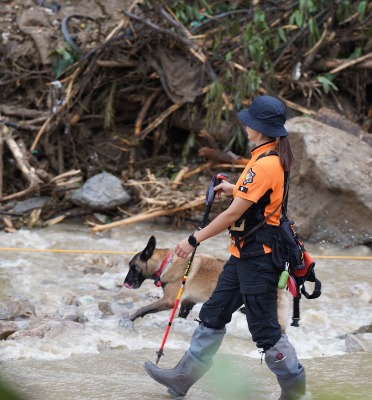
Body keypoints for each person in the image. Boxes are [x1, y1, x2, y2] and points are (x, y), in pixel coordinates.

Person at [143, 95, 306, 400]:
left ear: (258, 128)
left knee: (266, 331)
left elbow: (233, 213)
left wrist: (193, 240)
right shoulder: (265, 157)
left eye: (249, 122)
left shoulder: (265, 164)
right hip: (241, 256)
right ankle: (181, 378)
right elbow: (256, 197)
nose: (245, 126)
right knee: (214, 313)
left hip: (259, 259)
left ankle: (295, 389)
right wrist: (234, 188)